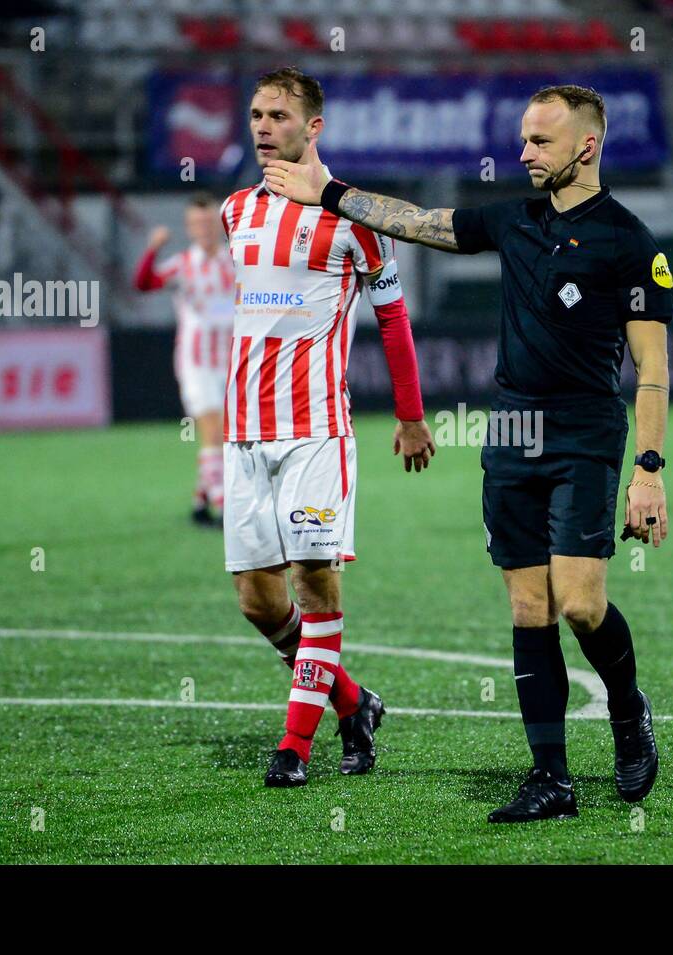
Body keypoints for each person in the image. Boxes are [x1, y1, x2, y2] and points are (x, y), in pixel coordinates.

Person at [264, 84, 669, 822]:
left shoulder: (630, 241)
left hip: (584, 431)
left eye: (539, 142)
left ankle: (628, 709)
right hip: (511, 429)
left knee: (580, 603)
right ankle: (551, 779)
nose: (522, 153)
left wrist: (649, 470)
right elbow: (419, 223)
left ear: (586, 146)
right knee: (528, 605)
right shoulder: (512, 221)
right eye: (522, 139)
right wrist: (333, 193)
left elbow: (654, 370)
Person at [222, 67, 437, 787]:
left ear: (314, 127)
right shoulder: (235, 212)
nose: (261, 126)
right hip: (245, 434)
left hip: (317, 429)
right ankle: (353, 701)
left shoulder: (355, 219)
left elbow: (392, 317)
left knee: (316, 583)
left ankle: (293, 747)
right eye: (255, 113)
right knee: (258, 600)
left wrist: (410, 415)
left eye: (278, 115)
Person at [133, 193, 234, 525]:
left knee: (227, 434)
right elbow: (144, 283)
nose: (203, 228)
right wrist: (152, 248)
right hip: (197, 363)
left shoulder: (234, 262)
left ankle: (200, 502)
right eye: (196, 223)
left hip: (231, 361)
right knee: (213, 432)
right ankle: (224, 507)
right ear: (189, 228)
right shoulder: (183, 264)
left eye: (207, 222)